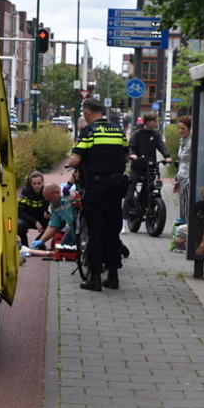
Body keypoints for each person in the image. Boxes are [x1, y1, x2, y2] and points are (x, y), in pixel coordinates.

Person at [68, 98, 128, 291]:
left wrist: (76, 160)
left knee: (95, 233)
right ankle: (113, 276)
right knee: (112, 232)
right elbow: (126, 156)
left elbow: (75, 160)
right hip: (116, 188)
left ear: (87, 113)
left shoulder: (89, 132)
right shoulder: (119, 131)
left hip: (95, 189)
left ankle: (94, 278)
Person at [126, 112, 172, 216]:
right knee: (129, 193)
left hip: (150, 167)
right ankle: (124, 219)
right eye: (154, 121)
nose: (156, 123)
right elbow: (131, 146)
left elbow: (161, 145)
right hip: (137, 167)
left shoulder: (155, 135)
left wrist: (167, 156)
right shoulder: (137, 134)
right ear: (147, 122)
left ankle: (144, 206)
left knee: (150, 189)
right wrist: (132, 154)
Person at [31, 182, 77, 249]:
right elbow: (53, 225)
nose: (50, 203)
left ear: (57, 192)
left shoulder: (72, 191)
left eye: (50, 199)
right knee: (63, 249)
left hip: (86, 225)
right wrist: (41, 240)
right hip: (73, 228)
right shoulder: (54, 205)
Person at [17, 170, 48, 246]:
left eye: (39, 183)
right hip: (27, 219)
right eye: (34, 184)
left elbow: (50, 207)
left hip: (41, 218)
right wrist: (35, 222)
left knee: (58, 223)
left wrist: (48, 213)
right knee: (19, 225)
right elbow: (20, 212)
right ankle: (25, 245)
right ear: (30, 183)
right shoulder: (25, 192)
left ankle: (39, 241)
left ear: (42, 182)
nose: (37, 186)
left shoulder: (46, 191)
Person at [173, 116, 192, 221]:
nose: (180, 131)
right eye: (179, 128)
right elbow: (180, 162)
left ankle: (185, 231)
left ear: (190, 128)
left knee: (186, 208)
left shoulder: (192, 142)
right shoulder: (183, 141)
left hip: (188, 178)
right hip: (182, 177)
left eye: (183, 128)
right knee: (183, 207)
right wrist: (177, 179)